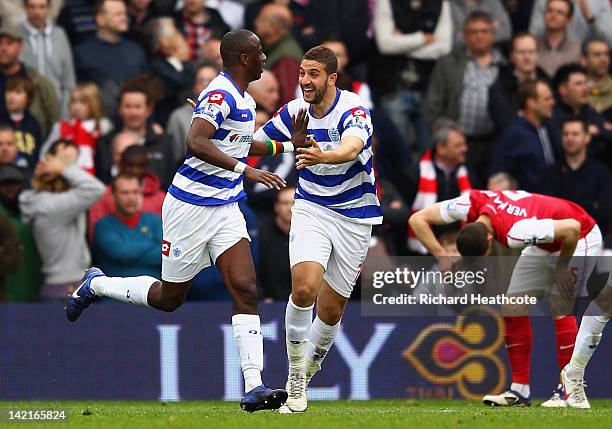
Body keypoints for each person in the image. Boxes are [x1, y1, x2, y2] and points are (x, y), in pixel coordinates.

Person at [65, 29, 311, 412]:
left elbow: (242, 141)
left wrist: (289, 144)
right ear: (244, 58)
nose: (266, 58)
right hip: (190, 208)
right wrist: (247, 171)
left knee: (245, 287)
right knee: (169, 299)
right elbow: (195, 142)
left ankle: (254, 387)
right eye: (260, 53)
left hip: (226, 208)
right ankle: (97, 285)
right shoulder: (221, 93)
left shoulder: (241, 97)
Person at [254, 45, 382, 413]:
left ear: (332, 78)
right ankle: (296, 378)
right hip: (312, 207)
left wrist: (322, 155)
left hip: (356, 217)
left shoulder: (354, 108)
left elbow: (350, 147)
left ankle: (306, 372)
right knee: (305, 287)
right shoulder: (296, 112)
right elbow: (259, 141)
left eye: (313, 74)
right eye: (301, 73)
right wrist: (218, 124)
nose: (305, 81)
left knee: (331, 310)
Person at [409, 188, 602, 407]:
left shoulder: (515, 233)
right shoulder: (471, 202)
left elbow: (572, 229)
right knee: (512, 306)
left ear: (490, 239)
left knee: (559, 306)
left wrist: (561, 268)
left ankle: (567, 391)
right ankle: (519, 392)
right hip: (547, 237)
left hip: (581, 236)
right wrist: (442, 256)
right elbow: (417, 219)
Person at [423, 11, 505, 187]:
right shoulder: (448, 63)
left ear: (493, 35)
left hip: (495, 142)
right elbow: (432, 105)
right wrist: (444, 135)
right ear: (464, 36)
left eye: (484, 31)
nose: (479, 36)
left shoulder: (504, 64)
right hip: (460, 144)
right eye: (473, 32)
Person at [20, 140, 106, 300]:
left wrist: (62, 167)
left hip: (65, 284)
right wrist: (62, 168)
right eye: (66, 163)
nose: (72, 169)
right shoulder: (50, 205)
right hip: (65, 288)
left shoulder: (41, 201)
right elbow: (96, 189)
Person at [406, 119, 472, 255]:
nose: (465, 149)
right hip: (422, 254)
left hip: (460, 250)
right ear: (441, 148)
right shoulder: (415, 174)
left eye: (464, 144)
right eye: (458, 145)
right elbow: (406, 218)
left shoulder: (470, 174)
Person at [73, 0, 148, 116]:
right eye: (118, 14)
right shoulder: (82, 53)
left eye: (125, 14)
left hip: (133, 119)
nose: (124, 18)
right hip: (97, 122)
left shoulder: (135, 50)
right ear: (100, 19)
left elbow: (146, 90)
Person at [541, 117, 612, 234]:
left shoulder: (601, 173)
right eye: (565, 134)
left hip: (595, 240)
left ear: (587, 137)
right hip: (559, 240)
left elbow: (606, 212)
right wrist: (590, 206)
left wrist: (565, 206)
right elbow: (546, 211)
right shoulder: (550, 172)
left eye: (575, 134)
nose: (570, 138)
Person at [489, 79, 559, 192]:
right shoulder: (514, 133)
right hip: (527, 204)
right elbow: (498, 175)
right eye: (547, 99)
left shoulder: (546, 128)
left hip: (547, 201)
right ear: (531, 103)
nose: (552, 102)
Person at [89, 144, 165, 241]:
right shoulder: (105, 196)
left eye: (140, 166)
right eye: (130, 165)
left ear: (147, 166)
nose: (135, 170)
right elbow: (96, 233)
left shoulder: (160, 198)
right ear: (121, 164)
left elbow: (166, 236)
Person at [93, 173, 162, 278]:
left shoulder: (154, 220)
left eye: (135, 192)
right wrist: (153, 245)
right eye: (125, 193)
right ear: (113, 195)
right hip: (116, 292)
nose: (131, 198)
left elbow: (165, 256)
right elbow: (121, 252)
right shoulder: (104, 225)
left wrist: (129, 254)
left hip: (154, 291)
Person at [0, 21, 58, 139]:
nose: (3, 48)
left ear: (20, 46)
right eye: (0, 43)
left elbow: (53, 121)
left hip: (33, 149)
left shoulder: (38, 83)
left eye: (9, 43)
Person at [42, 83, 113, 176]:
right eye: (73, 102)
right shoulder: (61, 127)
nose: (76, 107)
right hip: (65, 176)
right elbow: (45, 153)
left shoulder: (103, 126)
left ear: (94, 104)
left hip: (95, 177)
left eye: (83, 102)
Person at [20, 0, 76, 119]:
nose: (37, 12)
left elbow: (68, 81)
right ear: (25, 7)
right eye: (32, 7)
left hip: (56, 106)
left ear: (49, 8)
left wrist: (64, 115)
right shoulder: (16, 34)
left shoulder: (59, 35)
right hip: (24, 107)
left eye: (42, 7)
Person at [489, 33, 549, 132]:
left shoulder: (548, 82)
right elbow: (505, 122)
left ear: (538, 55)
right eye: (521, 52)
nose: (526, 57)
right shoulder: (499, 87)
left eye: (531, 52)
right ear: (512, 56)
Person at [0, 163, 42, 301]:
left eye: (15, 184)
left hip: (35, 290)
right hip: (6, 294)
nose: (10, 189)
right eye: (5, 185)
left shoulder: (35, 212)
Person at [167, 60, 220, 160]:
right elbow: (175, 157)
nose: (205, 85)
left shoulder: (231, 112)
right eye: (200, 81)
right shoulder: (178, 116)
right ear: (194, 86)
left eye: (210, 81)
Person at [254, 3, 303, 105]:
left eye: (260, 19)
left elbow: (287, 98)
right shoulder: (275, 47)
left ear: (272, 27)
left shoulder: (287, 58)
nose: (255, 23)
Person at [258, 186, 295, 302]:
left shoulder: (312, 235)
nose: (290, 208)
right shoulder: (261, 235)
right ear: (276, 206)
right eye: (285, 203)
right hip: (270, 304)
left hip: (305, 304)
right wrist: (261, 297)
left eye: (294, 203)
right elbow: (253, 270)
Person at [0, 74, 43, 172]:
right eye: (9, 91)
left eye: (17, 92)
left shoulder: (33, 124)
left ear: (28, 98)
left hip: (27, 175)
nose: (11, 97)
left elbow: (37, 154)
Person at [529, 0, 612, 47]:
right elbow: (533, 36)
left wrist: (591, 19)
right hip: (547, 54)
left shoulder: (600, 1)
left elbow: (610, 41)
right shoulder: (543, 1)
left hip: (585, 62)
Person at [581, 37, 612, 120]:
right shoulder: (576, 90)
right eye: (597, 54)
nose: (603, 59)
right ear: (583, 60)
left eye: (606, 54)